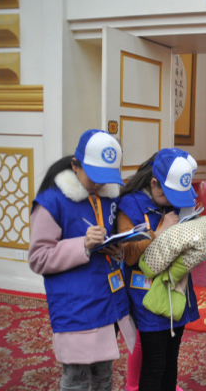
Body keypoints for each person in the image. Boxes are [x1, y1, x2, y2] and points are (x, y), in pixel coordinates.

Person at [29, 129, 135, 390]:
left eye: (105, 177)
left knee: (103, 379)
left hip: (106, 301)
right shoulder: (52, 200)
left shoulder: (109, 198)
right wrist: (82, 245)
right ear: (75, 165)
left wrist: (117, 250)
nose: (98, 184)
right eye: (93, 176)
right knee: (76, 381)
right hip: (75, 306)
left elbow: (111, 240)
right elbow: (38, 257)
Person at [118, 148, 199, 391]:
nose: (175, 201)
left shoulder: (176, 203)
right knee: (154, 363)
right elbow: (129, 255)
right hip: (148, 295)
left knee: (171, 360)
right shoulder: (129, 203)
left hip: (178, 290)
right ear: (154, 183)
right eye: (169, 195)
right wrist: (158, 232)